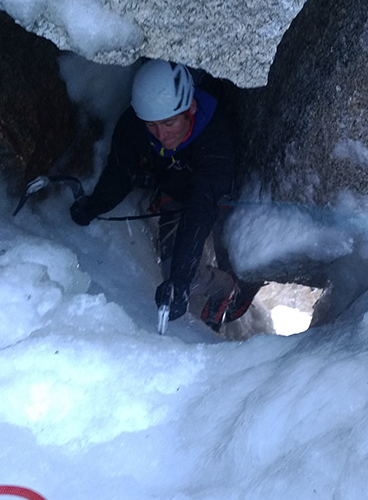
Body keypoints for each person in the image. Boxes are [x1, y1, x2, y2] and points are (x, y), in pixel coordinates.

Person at [69, 59, 261, 330]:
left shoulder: (216, 139)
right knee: (178, 273)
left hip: (213, 196)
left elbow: (200, 209)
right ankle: (221, 287)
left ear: (190, 108)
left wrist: (180, 281)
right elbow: (120, 170)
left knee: (191, 267)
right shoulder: (135, 125)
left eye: (169, 123)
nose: (161, 134)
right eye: (152, 125)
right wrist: (93, 206)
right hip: (177, 191)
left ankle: (234, 285)